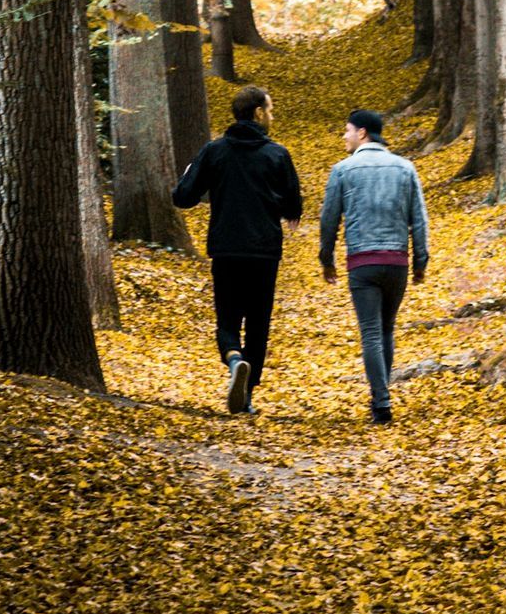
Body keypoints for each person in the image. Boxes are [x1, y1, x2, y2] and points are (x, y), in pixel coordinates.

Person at [172, 85, 303, 414]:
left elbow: (183, 197)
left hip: (226, 249)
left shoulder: (214, 151)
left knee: (227, 318)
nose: (271, 116)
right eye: (269, 110)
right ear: (258, 113)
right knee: (258, 323)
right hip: (263, 252)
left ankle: (234, 361)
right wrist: (280, 207)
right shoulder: (277, 154)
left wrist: (190, 173)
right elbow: (293, 206)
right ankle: (246, 396)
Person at [318, 105, 429, 425]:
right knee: (387, 329)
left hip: (362, 262)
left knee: (371, 333)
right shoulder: (405, 168)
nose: (344, 136)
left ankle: (381, 402)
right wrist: (420, 261)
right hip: (396, 262)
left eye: (347, 130)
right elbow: (419, 219)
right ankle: (382, 395)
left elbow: (328, 219)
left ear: (362, 133)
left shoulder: (342, 170)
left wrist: (327, 259)